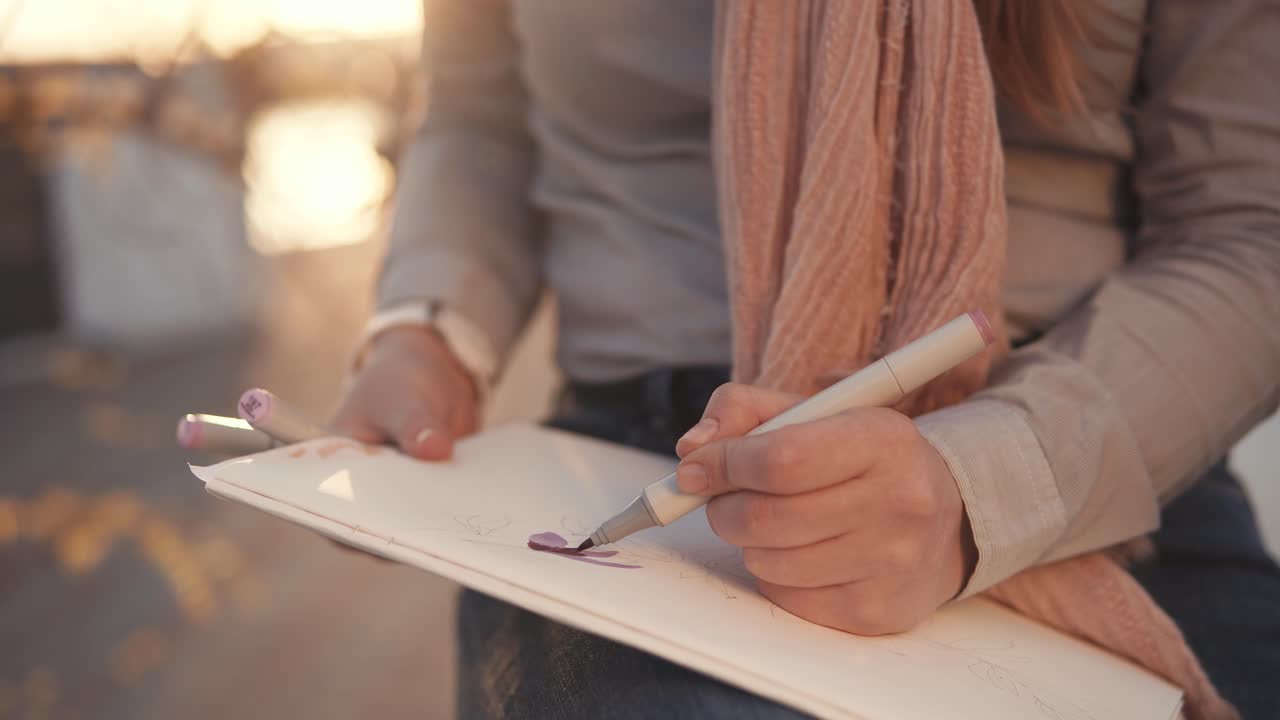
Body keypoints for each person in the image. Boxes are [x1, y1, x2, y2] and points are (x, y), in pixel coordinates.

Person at [332, 1, 1280, 717]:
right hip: (634, 455)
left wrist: (979, 483)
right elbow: (477, 115)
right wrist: (428, 327)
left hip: (1097, 465)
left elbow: (1250, 224)